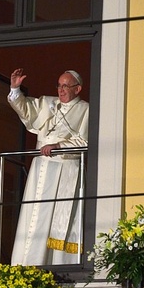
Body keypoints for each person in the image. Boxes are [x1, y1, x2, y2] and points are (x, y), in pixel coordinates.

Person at [8, 68, 89, 266]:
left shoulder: (87, 110)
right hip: (41, 169)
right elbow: (26, 109)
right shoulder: (48, 103)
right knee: (34, 218)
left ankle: (57, 266)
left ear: (77, 89)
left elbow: (86, 141)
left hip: (65, 170)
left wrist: (58, 147)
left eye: (65, 86)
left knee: (57, 223)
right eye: (59, 85)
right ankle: (27, 264)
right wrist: (15, 88)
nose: (61, 90)